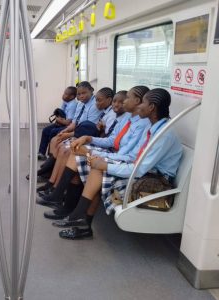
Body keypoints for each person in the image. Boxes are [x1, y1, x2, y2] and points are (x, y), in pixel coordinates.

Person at [54, 88, 183, 239]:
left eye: (143, 103)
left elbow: (138, 167)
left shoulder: (164, 135)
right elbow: (132, 157)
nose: (139, 106)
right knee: (95, 166)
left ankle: (80, 219)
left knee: (98, 169)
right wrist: (95, 151)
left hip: (155, 180)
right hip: (143, 168)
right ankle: (81, 220)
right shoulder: (154, 127)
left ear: (151, 107)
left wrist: (105, 164)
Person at [38, 86, 151, 215]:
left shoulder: (142, 124)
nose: (124, 102)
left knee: (78, 157)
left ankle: (66, 203)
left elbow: (127, 155)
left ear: (137, 101)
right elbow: (112, 140)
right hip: (115, 153)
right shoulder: (129, 119)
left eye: (127, 98)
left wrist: (91, 152)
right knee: (74, 151)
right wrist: (89, 139)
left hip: (119, 157)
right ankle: (60, 196)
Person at [37, 86, 77, 160]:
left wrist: (58, 119)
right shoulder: (65, 101)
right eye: (64, 93)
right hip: (61, 123)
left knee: (53, 132)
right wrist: (59, 119)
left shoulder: (73, 105)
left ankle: (51, 155)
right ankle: (41, 153)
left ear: (72, 96)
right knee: (46, 130)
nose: (63, 95)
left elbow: (68, 123)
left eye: (66, 94)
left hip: (68, 126)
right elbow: (60, 115)